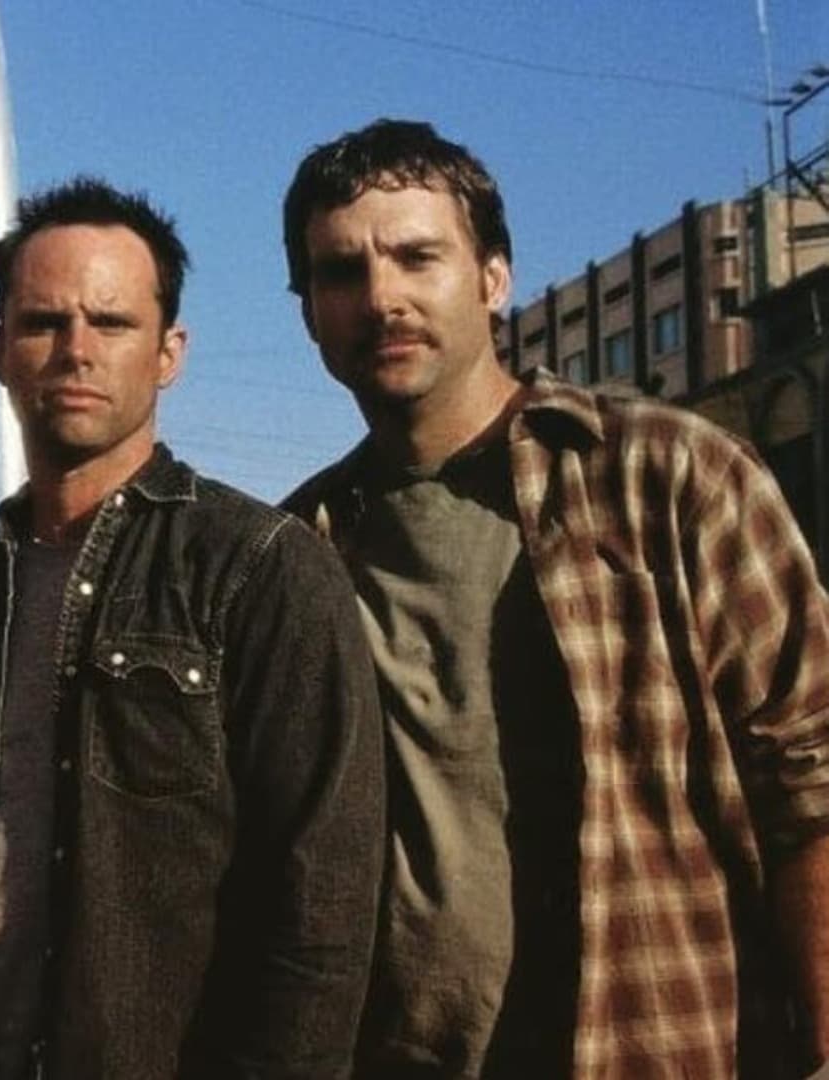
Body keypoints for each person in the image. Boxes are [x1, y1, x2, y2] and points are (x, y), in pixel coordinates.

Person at [281, 118, 829, 1078]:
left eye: (418, 257)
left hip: (662, 1042)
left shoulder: (670, 476)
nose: (382, 298)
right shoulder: (300, 552)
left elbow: (813, 785)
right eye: (341, 272)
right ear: (309, 315)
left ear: (493, 278)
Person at [0, 177, 385, 1078]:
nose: (76, 350)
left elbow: (321, 914)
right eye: (44, 323)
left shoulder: (260, 569)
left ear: (168, 353)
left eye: (111, 323)